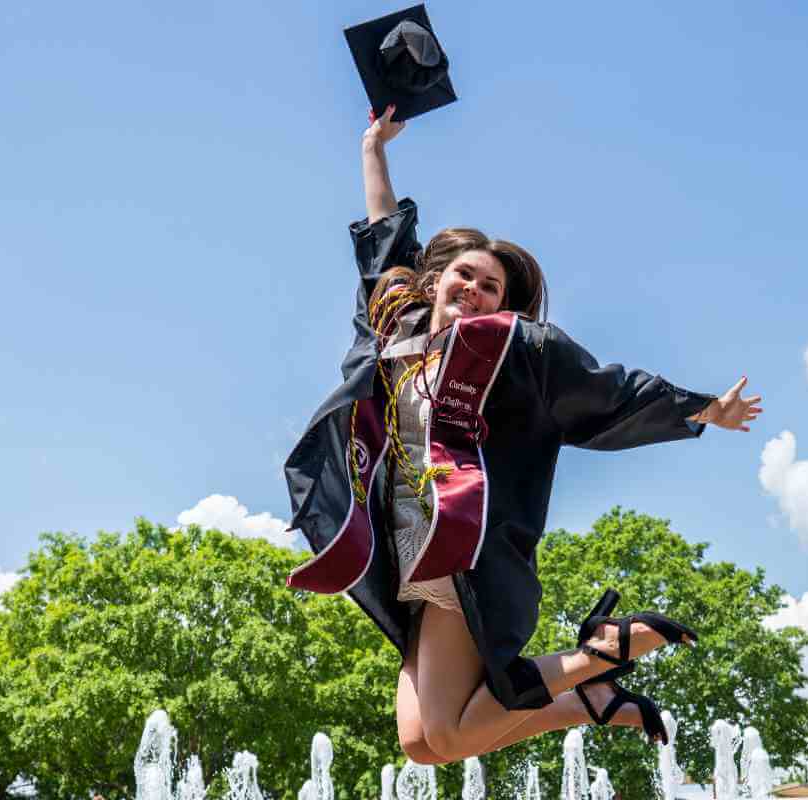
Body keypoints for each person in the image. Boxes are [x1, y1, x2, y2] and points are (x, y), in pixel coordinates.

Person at [283, 105, 762, 764]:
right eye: (465, 276)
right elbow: (383, 240)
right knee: (423, 742)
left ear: (500, 305)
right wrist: (374, 148)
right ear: (435, 280)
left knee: (444, 735)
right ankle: (589, 698)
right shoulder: (394, 331)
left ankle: (601, 653)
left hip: (465, 548)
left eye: (491, 287)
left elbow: (605, 391)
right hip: (408, 553)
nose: (475, 290)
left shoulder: (508, 354)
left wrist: (704, 408)